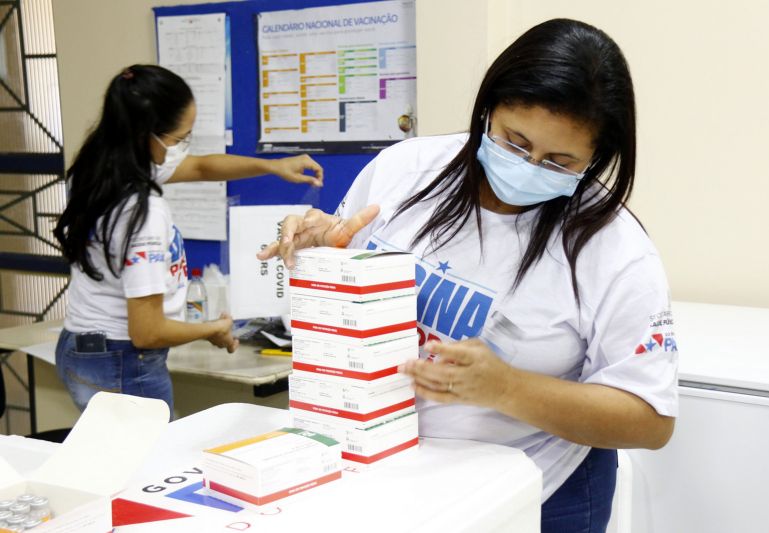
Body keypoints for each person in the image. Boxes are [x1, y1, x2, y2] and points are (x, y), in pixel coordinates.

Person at [259, 18, 678, 532]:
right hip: (388, 467)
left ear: (596, 159)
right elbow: (342, 296)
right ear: (489, 108)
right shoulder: (405, 170)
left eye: (560, 161)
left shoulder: (613, 249)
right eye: (515, 141)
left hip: (537, 489)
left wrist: (507, 388)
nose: (529, 166)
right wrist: (322, 256)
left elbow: (650, 420)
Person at [53, 64, 323, 417]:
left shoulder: (100, 168)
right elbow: (147, 332)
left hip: (83, 345)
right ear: (148, 135)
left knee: (119, 460)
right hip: (123, 360)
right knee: (149, 466)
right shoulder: (143, 213)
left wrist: (273, 166)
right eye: (180, 139)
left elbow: (201, 167)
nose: (183, 149)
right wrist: (212, 328)